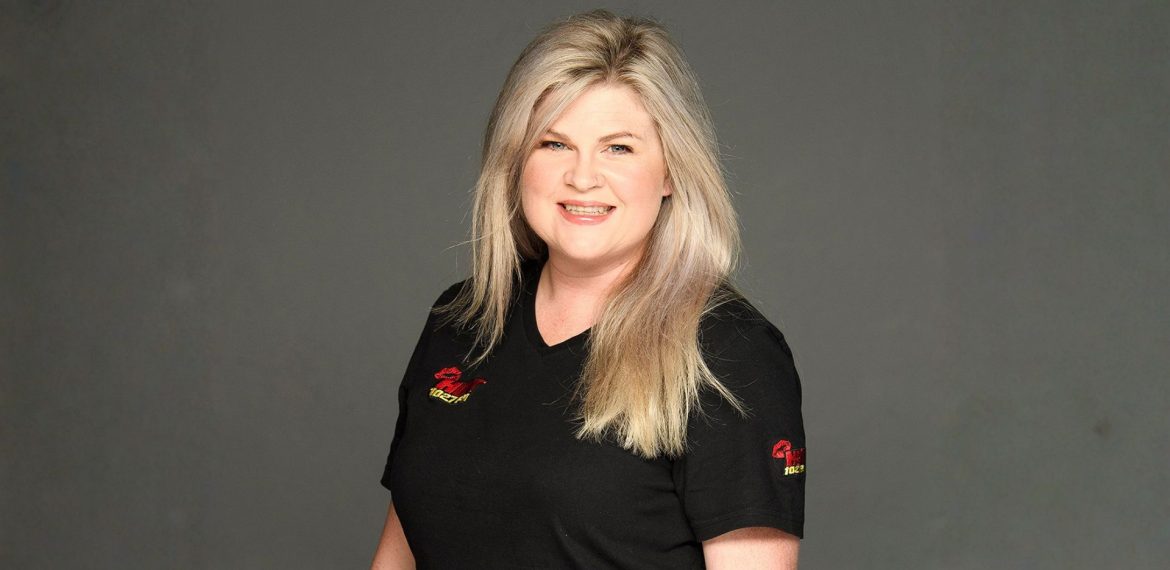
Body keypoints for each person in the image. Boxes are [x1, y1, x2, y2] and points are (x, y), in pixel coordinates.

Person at [371, 9, 805, 569]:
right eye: (553, 144)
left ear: (671, 171)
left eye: (618, 148)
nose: (582, 177)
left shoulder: (729, 354)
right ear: (515, 161)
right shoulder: (460, 322)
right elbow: (399, 554)